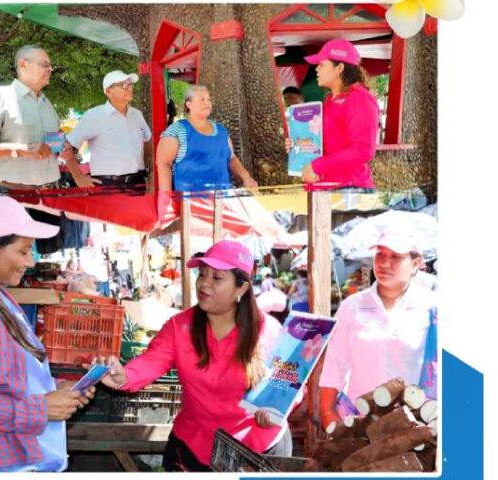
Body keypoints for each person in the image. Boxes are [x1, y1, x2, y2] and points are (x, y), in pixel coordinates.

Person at [95, 240, 294, 471]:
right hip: (195, 445)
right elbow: (151, 361)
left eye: (217, 278)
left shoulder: (268, 330)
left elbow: (291, 383)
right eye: (203, 274)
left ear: (241, 288)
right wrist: (123, 376)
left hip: (257, 448)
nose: (204, 284)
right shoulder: (179, 327)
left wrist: (276, 409)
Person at [0, 195, 95, 472]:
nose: (30, 262)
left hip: (11, 455)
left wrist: (56, 390)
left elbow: (4, 373)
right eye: (23, 251)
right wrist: (39, 409)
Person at [317, 229, 436, 429]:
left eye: (396, 257)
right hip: (359, 421)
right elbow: (334, 367)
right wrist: (328, 414)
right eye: (380, 254)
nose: (384, 263)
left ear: (415, 264)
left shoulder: (432, 308)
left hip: (415, 426)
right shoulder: (352, 307)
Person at [286, 38, 379, 190]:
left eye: (322, 64)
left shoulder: (359, 98)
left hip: (349, 189)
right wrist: (298, 144)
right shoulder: (329, 100)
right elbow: (324, 142)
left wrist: (317, 166)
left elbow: (363, 150)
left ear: (339, 68)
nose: (316, 69)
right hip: (323, 188)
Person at [0, 45, 61, 188]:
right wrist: (21, 150)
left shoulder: (47, 104)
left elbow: (54, 146)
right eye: (44, 64)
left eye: (50, 66)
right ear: (23, 64)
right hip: (12, 192)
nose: (50, 69)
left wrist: (62, 148)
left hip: (51, 190)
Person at [157, 85, 258, 192]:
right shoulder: (177, 129)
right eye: (202, 99)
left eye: (208, 99)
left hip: (223, 198)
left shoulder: (221, 130)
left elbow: (232, 159)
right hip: (190, 201)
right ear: (189, 104)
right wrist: (166, 198)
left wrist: (246, 177)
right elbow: (164, 164)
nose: (207, 103)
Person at [61, 70, 152, 188]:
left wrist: (149, 171)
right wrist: (78, 177)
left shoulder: (137, 114)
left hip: (139, 182)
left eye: (130, 85)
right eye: (124, 85)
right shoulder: (93, 116)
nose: (129, 88)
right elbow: (68, 148)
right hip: (108, 184)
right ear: (109, 91)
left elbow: (148, 141)